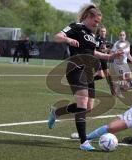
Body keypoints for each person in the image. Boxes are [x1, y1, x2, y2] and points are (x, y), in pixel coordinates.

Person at [47, 4, 123, 151]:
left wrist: (111, 56)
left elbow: (94, 53)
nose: (97, 24)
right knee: (82, 105)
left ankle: (56, 112)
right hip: (76, 69)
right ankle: (83, 142)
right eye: (96, 21)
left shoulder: (92, 34)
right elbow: (57, 36)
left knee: (88, 107)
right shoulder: (76, 27)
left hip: (88, 72)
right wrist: (68, 40)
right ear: (88, 17)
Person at [93, 26, 115, 95]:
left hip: (103, 59)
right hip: (97, 59)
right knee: (101, 75)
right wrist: (105, 50)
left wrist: (108, 50)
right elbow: (96, 50)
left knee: (108, 75)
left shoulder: (105, 39)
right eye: (102, 31)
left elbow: (106, 48)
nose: (103, 32)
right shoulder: (96, 39)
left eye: (104, 31)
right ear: (99, 32)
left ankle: (113, 90)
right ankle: (87, 80)